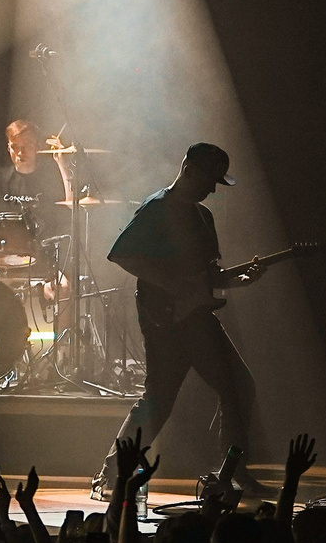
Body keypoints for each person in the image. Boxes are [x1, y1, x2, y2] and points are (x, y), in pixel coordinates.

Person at [91, 142, 270, 498]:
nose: (211, 189)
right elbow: (121, 253)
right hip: (166, 321)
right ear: (188, 170)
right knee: (158, 400)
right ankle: (110, 475)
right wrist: (173, 284)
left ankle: (232, 472)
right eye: (209, 180)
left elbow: (210, 275)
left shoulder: (204, 218)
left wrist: (238, 279)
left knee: (238, 386)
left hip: (199, 320)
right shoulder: (157, 208)